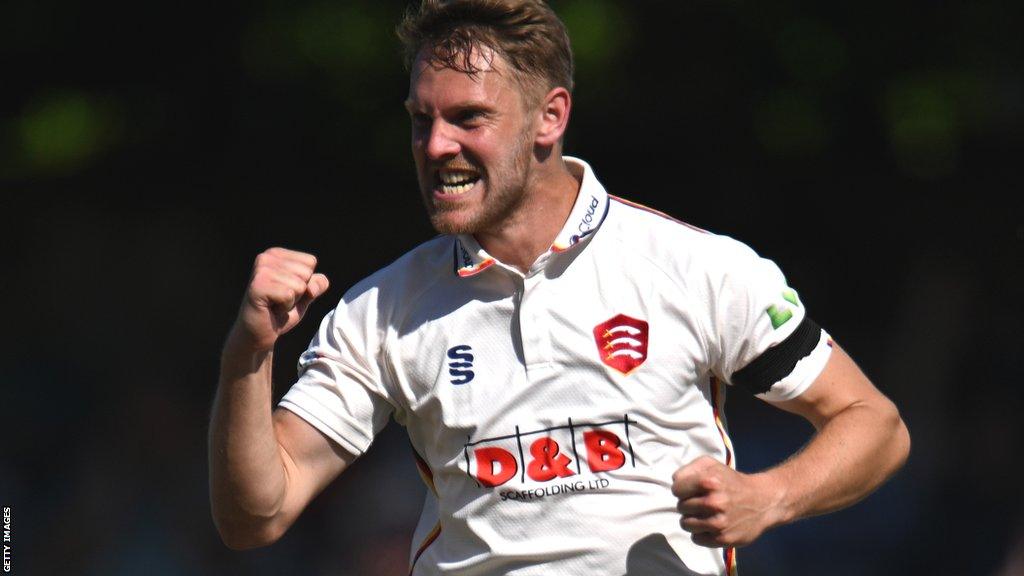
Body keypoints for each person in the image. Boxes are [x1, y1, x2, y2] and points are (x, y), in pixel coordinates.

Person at [208, 1, 910, 574]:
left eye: (468, 119)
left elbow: (874, 424)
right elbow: (255, 516)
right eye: (421, 121)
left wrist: (769, 496)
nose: (435, 147)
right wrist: (248, 354)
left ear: (551, 116)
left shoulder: (695, 268)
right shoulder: (384, 311)